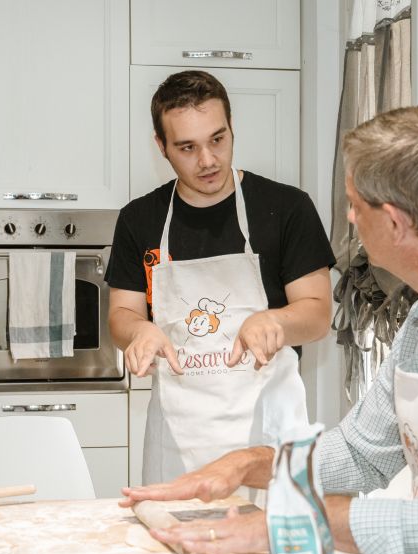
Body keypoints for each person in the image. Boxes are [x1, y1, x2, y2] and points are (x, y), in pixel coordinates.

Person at [122, 107, 418, 554]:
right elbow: (360, 451)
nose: (350, 219)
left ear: (395, 222)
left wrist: (305, 520)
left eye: (355, 206)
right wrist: (249, 464)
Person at [106, 70, 335, 485]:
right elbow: (122, 313)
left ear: (232, 128)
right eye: (187, 148)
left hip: (268, 436)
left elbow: (318, 314)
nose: (208, 160)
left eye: (218, 139)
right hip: (177, 440)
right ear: (162, 147)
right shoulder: (139, 219)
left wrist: (276, 320)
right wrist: (139, 331)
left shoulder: (286, 208)